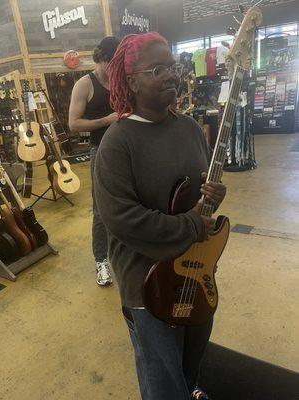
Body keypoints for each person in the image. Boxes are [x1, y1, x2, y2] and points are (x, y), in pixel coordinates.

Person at [94, 32, 227, 399]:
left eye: (173, 67)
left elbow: (199, 197)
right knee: (162, 377)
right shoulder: (118, 142)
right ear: (132, 81)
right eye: (157, 69)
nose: (171, 75)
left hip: (196, 268)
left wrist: (214, 194)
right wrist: (190, 225)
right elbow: (121, 219)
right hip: (147, 280)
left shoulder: (188, 128)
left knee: (190, 362)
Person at [68, 36, 120, 286]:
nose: (116, 69)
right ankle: (101, 260)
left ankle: (123, 255)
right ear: (102, 58)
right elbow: (74, 124)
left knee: (128, 204)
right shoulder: (84, 84)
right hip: (100, 149)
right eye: (113, 62)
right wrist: (106, 121)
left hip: (126, 149)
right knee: (100, 210)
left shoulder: (122, 80)